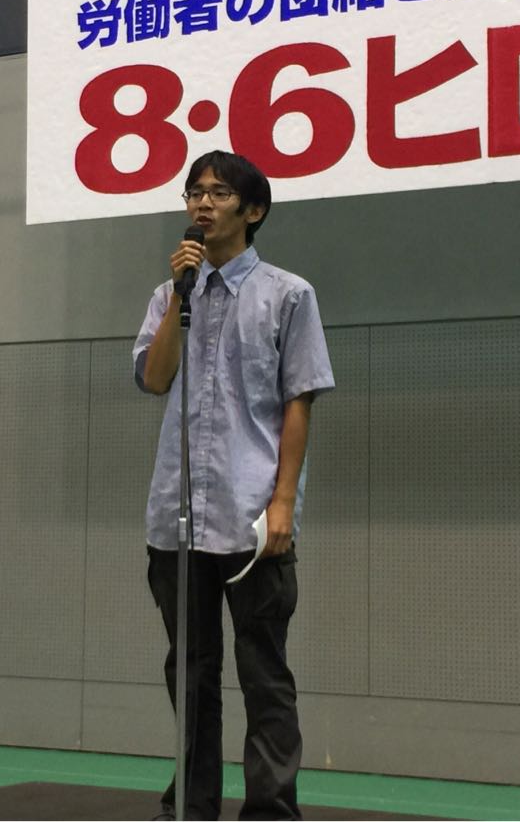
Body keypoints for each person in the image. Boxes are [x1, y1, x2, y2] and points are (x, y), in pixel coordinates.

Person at [133, 151, 335, 820]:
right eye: (194, 192)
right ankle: (192, 805)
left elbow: (299, 400)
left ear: (253, 210)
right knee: (190, 673)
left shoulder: (289, 294)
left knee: (263, 674)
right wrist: (179, 295)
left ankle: (271, 809)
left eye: (218, 193)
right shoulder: (170, 294)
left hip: (252, 518)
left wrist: (283, 504)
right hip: (178, 515)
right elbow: (155, 378)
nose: (202, 203)